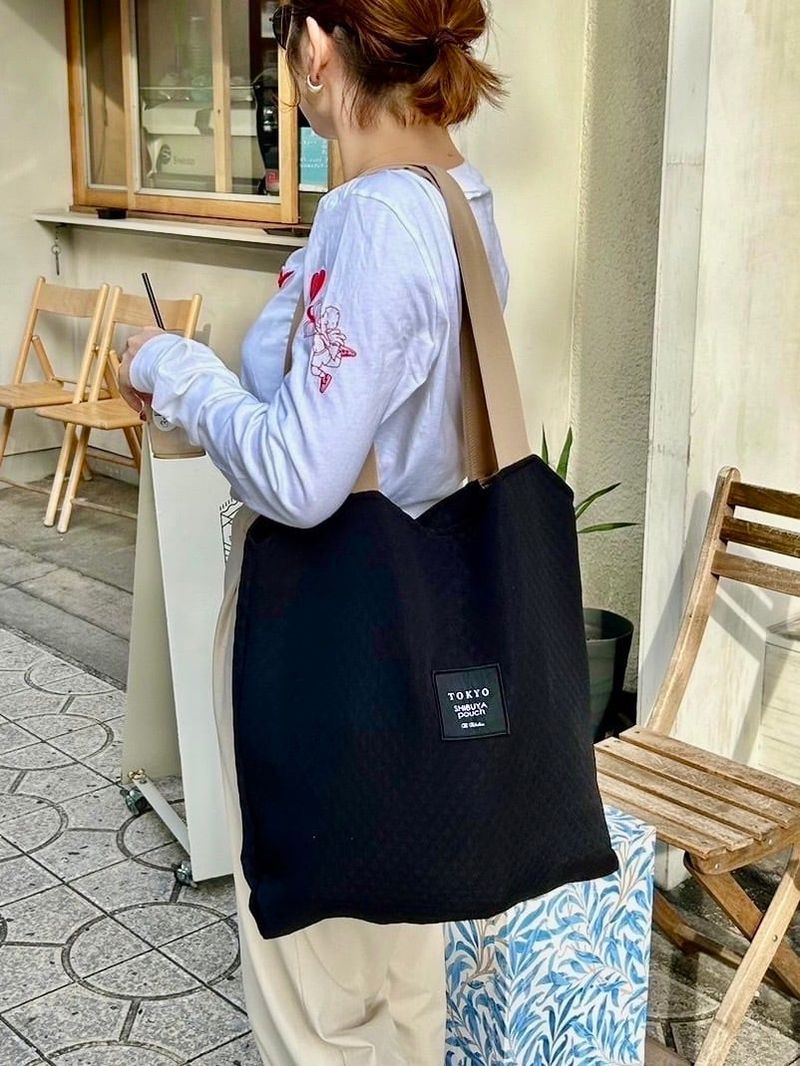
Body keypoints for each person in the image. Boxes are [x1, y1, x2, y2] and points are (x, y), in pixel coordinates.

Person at [119, 1, 509, 1062]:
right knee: (398, 965)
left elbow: (300, 475)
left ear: (320, 49)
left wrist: (171, 367)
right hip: (426, 624)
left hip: (330, 637)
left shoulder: (372, 217)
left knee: (315, 994)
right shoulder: (457, 197)